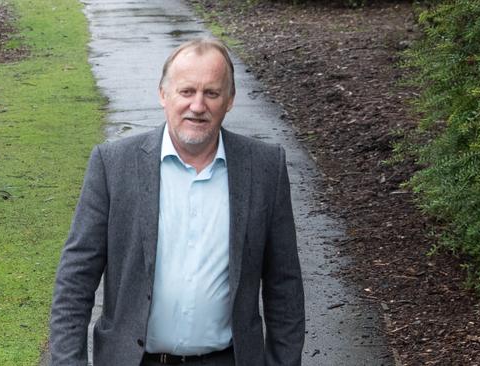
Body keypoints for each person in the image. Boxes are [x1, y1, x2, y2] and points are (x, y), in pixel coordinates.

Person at [50, 38, 304, 366]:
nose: (198, 106)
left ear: (229, 100)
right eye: (186, 91)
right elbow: (75, 278)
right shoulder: (113, 165)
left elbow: (285, 286)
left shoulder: (265, 168)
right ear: (163, 94)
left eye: (211, 93)